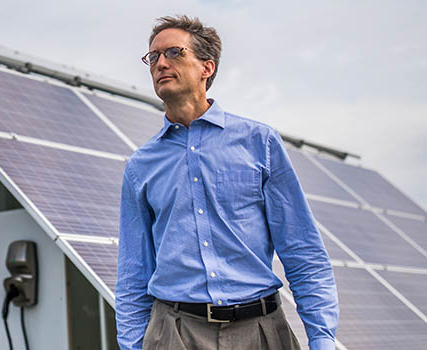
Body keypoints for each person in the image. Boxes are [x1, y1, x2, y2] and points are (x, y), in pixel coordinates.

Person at [115, 15, 339, 350]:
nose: (160, 63)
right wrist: (131, 346)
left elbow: (301, 249)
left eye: (174, 53)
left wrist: (321, 338)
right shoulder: (141, 166)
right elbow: (133, 272)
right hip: (174, 334)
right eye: (153, 57)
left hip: (261, 332)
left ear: (207, 67)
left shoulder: (260, 143)